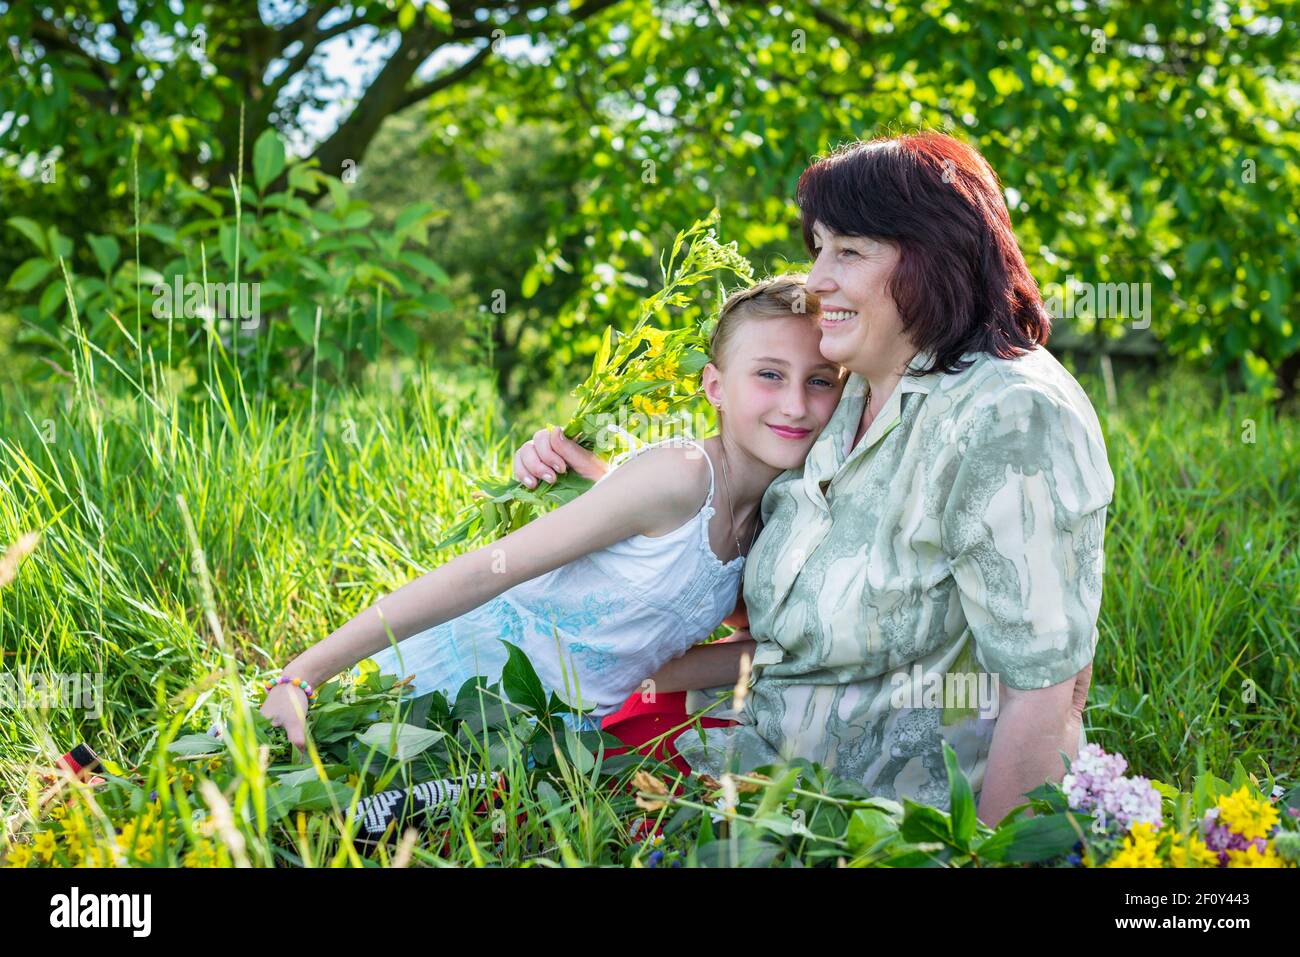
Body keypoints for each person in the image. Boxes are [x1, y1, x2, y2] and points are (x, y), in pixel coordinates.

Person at [512, 132, 1115, 825]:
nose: (817, 277)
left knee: (515, 804)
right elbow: (784, 594)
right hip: (749, 743)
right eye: (819, 248)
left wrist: (987, 854)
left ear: (933, 256)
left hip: (869, 816)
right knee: (494, 752)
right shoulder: (849, 385)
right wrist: (606, 489)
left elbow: (1046, 690)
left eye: (849, 251)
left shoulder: (1011, 414)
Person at [255, 275, 848, 752]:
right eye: (768, 374)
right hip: (438, 683)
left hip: (536, 744)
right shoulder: (682, 475)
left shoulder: (766, 521)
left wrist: (822, 651)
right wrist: (302, 674)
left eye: (819, 381)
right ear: (715, 386)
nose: (796, 404)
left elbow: (660, 662)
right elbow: (491, 569)